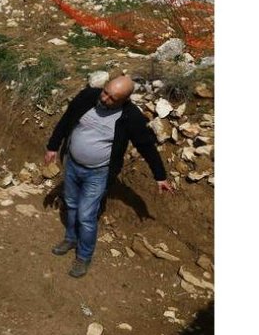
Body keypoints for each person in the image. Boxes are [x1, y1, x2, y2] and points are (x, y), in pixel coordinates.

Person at [44, 75, 174, 278]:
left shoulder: (131, 117)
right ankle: (71, 238)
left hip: (98, 173)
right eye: (105, 92)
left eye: (113, 98)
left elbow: (146, 146)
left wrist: (160, 176)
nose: (105, 99)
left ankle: (84, 256)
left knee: (86, 216)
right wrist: (53, 146)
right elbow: (67, 119)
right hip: (72, 164)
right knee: (70, 203)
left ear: (125, 99)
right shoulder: (87, 97)